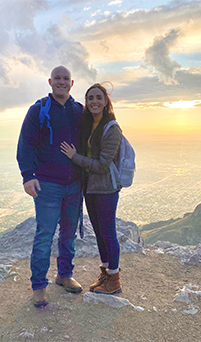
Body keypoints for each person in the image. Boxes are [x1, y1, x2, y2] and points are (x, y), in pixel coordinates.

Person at [17, 66, 83, 308]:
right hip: (47, 184)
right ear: (50, 81)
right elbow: (26, 143)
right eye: (58, 78)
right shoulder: (39, 110)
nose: (62, 82)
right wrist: (27, 176)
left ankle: (64, 275)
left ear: (72, 82)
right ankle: (39, 286)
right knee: (44, 236)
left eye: (66, 78)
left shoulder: (79, 110)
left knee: (69, 234)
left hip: (74, 185)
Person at [60, 83, 123, 295]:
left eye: (98, 98)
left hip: (106, 189)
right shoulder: (90, 125)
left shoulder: (111, 128)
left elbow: (103, 164)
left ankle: (114, 280)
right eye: (90, 98)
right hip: (92, 188)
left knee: (108, 232)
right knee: (99, 233)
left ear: (106, 102)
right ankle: (105, 273)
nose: (94, 102)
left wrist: (74, 157)